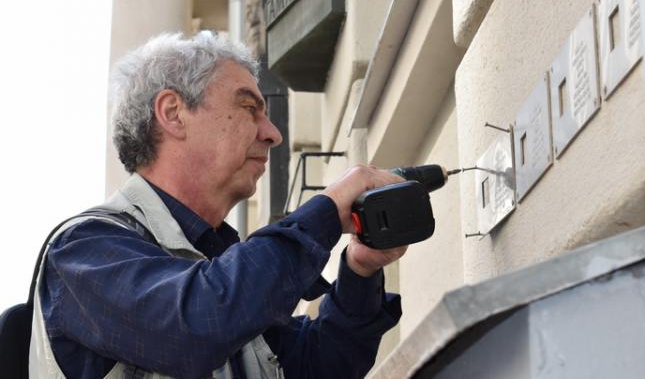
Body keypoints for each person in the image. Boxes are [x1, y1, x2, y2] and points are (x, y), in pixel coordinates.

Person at [30, 32, 408, 378]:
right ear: (173, 113)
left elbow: (321, 367)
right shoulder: (83, 252)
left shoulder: (223, 276)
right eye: (249, 108)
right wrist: (325, 211)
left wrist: (360, 270)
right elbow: (196, 324)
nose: (272, 134)